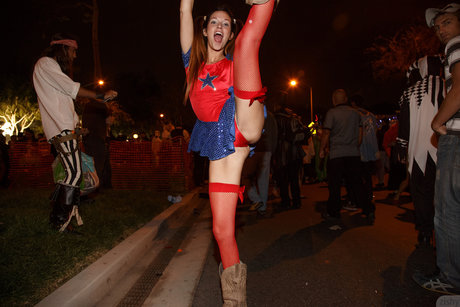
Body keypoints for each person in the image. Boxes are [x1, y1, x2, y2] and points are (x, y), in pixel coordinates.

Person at [179, 0, 277, 305]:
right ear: (205, 30)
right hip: (221, 143)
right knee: (222, 229)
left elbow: (246, 46)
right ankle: (235, 302)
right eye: (214, 23)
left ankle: (265, 1)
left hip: (241, 118)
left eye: (225, 24)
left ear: (230, 33)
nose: (219, 27)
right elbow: (184, 11)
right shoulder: (191, 64)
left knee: (249, 46)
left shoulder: (234, 62)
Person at [32, 33, 117, 232]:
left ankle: (62, 218)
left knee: (71, 173)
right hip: (61, 129)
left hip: (64, 128)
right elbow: (72, 89)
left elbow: (62, 96)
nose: (74, 56)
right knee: (74, 173)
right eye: (73, 51)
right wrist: (100, 96)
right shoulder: (46, 64)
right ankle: (60, 220)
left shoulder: (47, 67)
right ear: (63, 49)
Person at [413, 3, 460, 295]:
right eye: (438, 26)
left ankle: (451, 277)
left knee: (447, 210)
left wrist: (437, 120)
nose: (441, 30)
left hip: (457, 136)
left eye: (447, 22)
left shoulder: (456, 45)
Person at [396, 55, 445, 248]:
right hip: (444, 148)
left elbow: (404, 126)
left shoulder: (409, 92)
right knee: (443, 192)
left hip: (418, 151)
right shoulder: (448, 85)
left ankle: (425, 231)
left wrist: (401, 147)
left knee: (421, 193)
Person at [319, 89, 375, 224]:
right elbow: (360, 135)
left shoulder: (332, 113)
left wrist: (322, 149)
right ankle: (368, 209)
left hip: (336, 154)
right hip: (353, 154)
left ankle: (334, 212)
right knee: (356, 183)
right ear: (345, 99)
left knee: (335, 185)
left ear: (333, 100)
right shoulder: (356, 114)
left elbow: (326, 133)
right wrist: (354, 146)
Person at [244, 110, 278, 215]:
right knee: (263, 179)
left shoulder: (250, 112)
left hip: (252, 150)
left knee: (245, 176)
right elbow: (275, 133)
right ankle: (262, 206)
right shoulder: (270, 116)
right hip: (266, 150)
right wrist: (272, 150)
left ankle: (256, 199)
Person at [273, 106, 306, 209]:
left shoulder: (274, 120)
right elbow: (303, 134)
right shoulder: (293, 119)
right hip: (294, 153)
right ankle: (296, 202)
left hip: (280, 153)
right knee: (294, 179)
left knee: (283, 180)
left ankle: (285, 202)